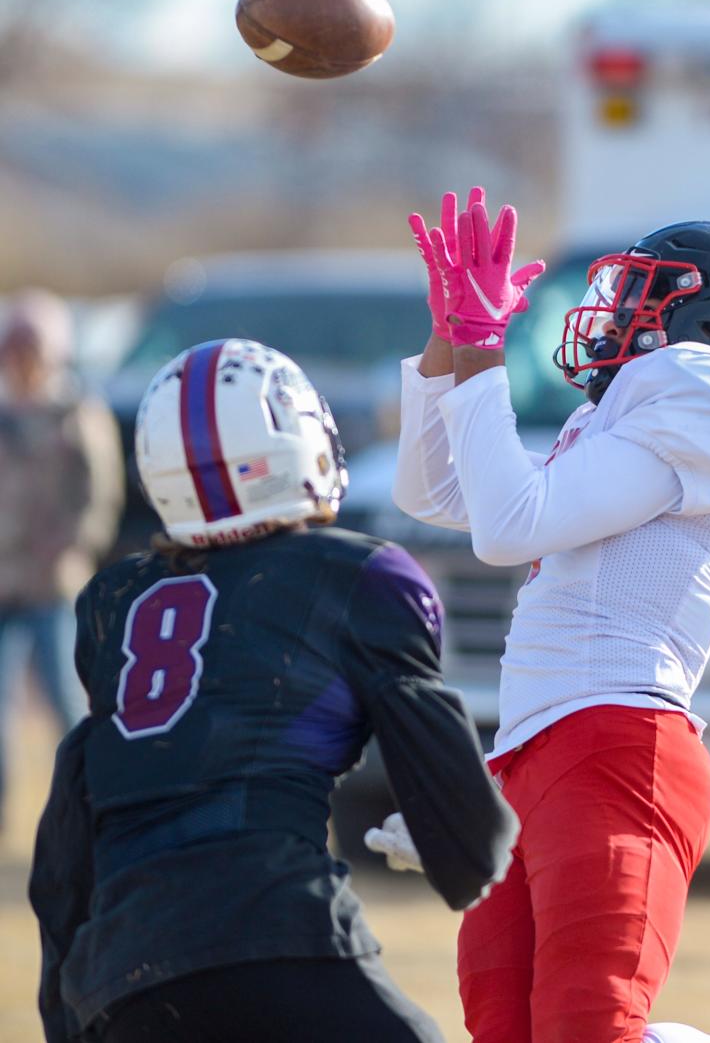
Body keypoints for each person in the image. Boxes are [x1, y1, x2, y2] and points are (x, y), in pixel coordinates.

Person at [387, 189, 710, 1043]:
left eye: (643, 293)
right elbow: (433, 492)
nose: (615, 311)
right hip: (527, 753)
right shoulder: (627, 410)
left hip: (619, 737)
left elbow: (509, 528)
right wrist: (447, 345)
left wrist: (481, 352)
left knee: (592, 1029)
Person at [29, 337, 518, 1043]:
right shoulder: (359, 574)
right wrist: (468, 829)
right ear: (297, 439)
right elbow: (470, 848)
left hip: (118, 973)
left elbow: (71, 827)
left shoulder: (114, 601)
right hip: (277, 926)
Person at [0, 289, 123, 832]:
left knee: (68, 705)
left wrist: (71, 544)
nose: (22, 364)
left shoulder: (77, 413)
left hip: (54, 583)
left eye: (31, 351)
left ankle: (91, 814)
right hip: (4, 581)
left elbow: (101, 496)